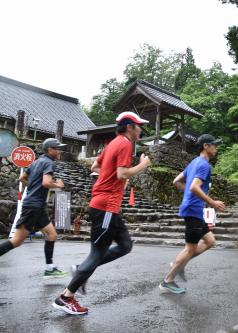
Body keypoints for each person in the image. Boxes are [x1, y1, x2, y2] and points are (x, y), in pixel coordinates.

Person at [52, 111, 151, 315]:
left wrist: (112, 179)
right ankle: (65, 297)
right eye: (139, 125)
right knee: (97, 253)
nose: (141, 129)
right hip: (105, 206)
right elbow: (122, 172)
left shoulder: (112, 144)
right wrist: (143, 165)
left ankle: (81, 268)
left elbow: (97, 166)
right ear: (130, 127)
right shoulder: (124, 144)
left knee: (125, 245)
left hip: (109, 206)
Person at [159, 134, 226, 294]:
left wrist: (189, 196)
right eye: (214, 145)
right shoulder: (203, 165)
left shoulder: (193, 162)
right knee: (190, 248)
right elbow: (195, 187)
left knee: (210, 241)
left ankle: (179, 262)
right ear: (206, 146)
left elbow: (176, 181)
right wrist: (212, 202)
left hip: (194, 208)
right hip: (194, 210)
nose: (216, 148)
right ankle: (168, 280)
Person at [0, 138, 68, 278]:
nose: (60, 151)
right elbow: (46, 182)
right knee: (17, 240)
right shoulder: (49, 163)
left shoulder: (37, 162)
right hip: (34, 206)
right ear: (50, 150)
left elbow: (22, 178)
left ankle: (50, 268)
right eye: (58, 148)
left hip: (36, 206)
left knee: (52, 235)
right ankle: (50, 268)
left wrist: (32, 186)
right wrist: (58, 185)